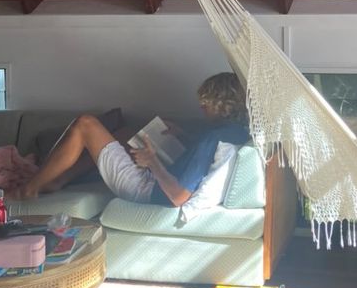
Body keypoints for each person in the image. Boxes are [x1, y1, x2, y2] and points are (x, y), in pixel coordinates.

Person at [19, 72, 249, 207]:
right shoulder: (236, 131)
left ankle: (29, 189)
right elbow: (203, 160)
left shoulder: (212, 137)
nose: (201, 108)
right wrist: (182, 135)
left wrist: (151, 162)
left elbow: (178, 197)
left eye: (205, 103)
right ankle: (58, 180)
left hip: (149, 189)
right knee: (127, 133)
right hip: (163, 177)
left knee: (85, 124)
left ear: (219, 104)